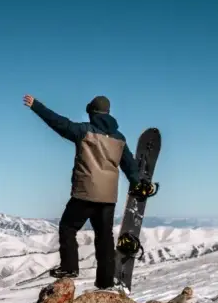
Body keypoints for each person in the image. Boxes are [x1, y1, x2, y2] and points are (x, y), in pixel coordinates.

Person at [23, 93, 142, 290]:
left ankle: (70, 267)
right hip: (108, 197)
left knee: (68, 228)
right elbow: (130, 165)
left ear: (92, 113)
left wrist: (36, 106)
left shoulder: (84, 131)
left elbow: (59, 123)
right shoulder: (120, 139)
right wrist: (137, 184)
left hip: (85, 194)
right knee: (104, 239)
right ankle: (105, 282)